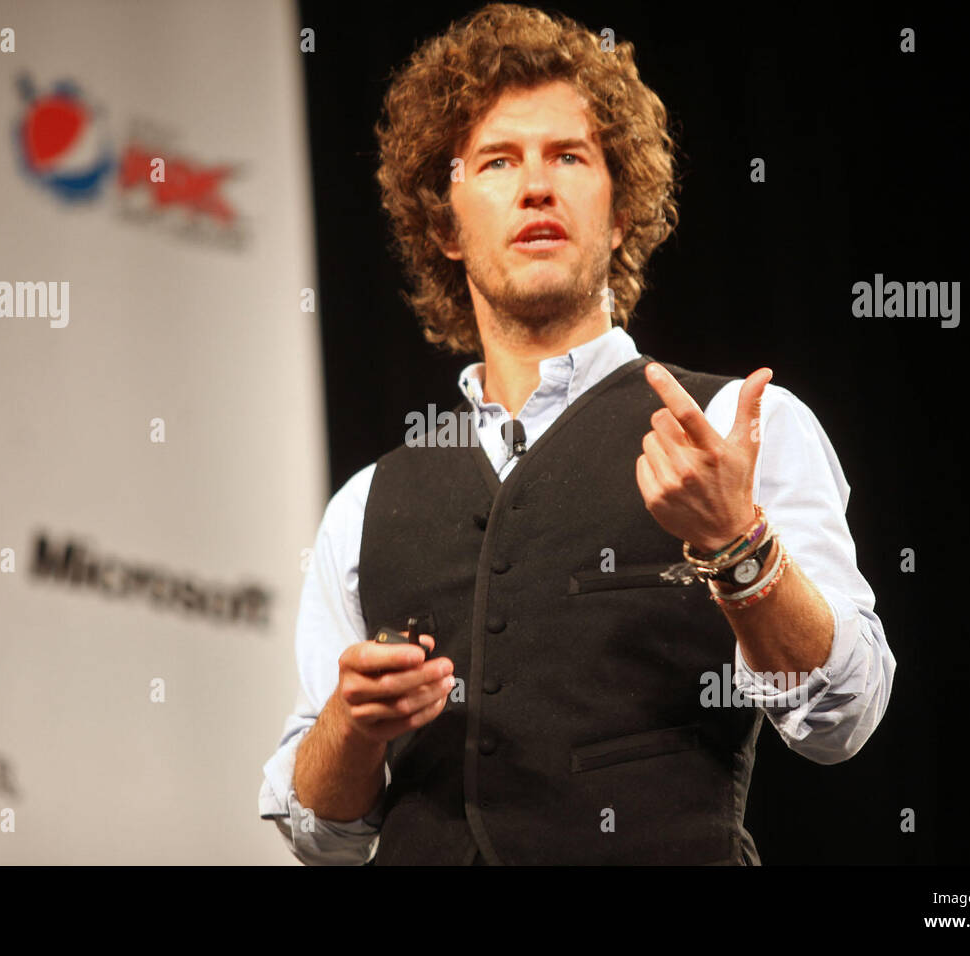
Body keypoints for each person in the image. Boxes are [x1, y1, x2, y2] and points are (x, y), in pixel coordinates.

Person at [259, 3, 894, 865]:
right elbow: (321, 836)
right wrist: (350, 724)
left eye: (569, 156)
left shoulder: (736, 428)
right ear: (445, 225)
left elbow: (843, 720)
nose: (536, 186)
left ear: (621, 207)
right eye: (496, 161)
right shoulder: (365, 506)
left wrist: (736, 544)